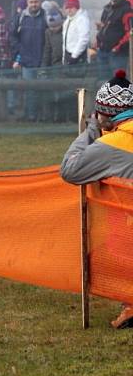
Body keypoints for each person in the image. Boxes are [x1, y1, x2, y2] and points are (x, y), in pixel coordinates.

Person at [60, 69, 133, 329]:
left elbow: (70, 169)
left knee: (116, 245)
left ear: (106, 115)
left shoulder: (113, 144)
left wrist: (92, 128)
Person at [10, 0, 48, 121]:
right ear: (27, 3)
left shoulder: (45, 18)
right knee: (28, 89)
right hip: (26, 61)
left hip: (42, 61)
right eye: (31, 2)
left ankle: (41, 115)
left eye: (36, 2)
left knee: (41, 90)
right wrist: (19, 54)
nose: (34, 5)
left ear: (40, 2)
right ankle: (29, 115)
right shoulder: (20, 18)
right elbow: (13, 36)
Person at [96, 0, 133, 73]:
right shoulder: (106, 9)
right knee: (103, 81)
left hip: (118, 54)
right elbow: (104, 28)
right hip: (103, 51)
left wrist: (117, 47)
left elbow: (130, 32)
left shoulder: (126, 10)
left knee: (118, 82)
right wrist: (98, 42)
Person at [62, 0, 90, 65]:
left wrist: (74, 56)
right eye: (67, 8)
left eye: (71, 7)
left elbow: (84, 39)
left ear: (77, 8)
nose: (69, 10)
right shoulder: (67, 20)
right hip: (68, 55)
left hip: (78, 57)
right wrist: (64, 58)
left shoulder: (81, 19)